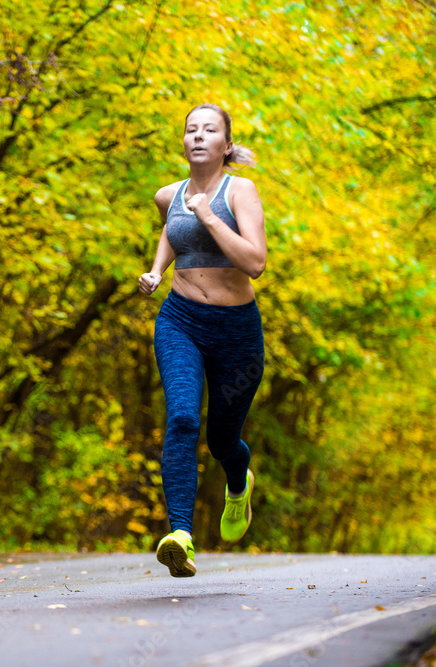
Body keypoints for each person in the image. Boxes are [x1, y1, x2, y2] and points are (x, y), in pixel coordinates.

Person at [139, 103, 267, 578]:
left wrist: (210, 217)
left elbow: (255, 262)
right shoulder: (168, 194)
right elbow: (172, 232)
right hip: (180, 320)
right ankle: (180, 536)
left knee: (221, 440)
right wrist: (156, 270)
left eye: (209, 130)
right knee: (183, 417)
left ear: (225, 145)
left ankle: (240, 480)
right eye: (191, 129)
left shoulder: (241, 191)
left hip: (236, 332)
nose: (198, 136)